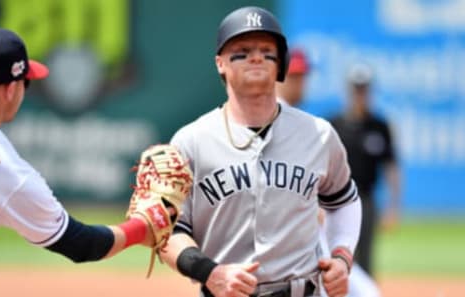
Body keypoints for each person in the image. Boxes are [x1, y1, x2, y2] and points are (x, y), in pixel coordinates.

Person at [159, 7, 362, 297]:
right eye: (241, 49)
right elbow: (169, 233)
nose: (256, 56)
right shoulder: (191, 141)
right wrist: (210, 272)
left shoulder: (318, 135)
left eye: (267, 50)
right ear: (220, 63)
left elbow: (344, 200)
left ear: (281, 63)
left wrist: (342, 256)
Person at [0, 27, 174, 263]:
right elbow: (82, 244)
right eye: (27, 82)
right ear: (11, 89)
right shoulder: (7, 171)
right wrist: (143, 226)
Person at [278, 50, 381, 297]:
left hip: (313, 226)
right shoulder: (274, 120)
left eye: (303, 76)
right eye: (295, 76)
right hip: (293, 235)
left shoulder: (306, 125)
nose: (301, 83)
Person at [330, 63, 401, 277]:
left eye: (364, 88)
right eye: (356, 88)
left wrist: (393, 205)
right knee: (337, 254)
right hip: (337, 200)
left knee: (366, 256)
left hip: (367, 199)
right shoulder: (334, 125)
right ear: (349, 90)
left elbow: (391, 167)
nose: (360, 93)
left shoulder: (379, 126)